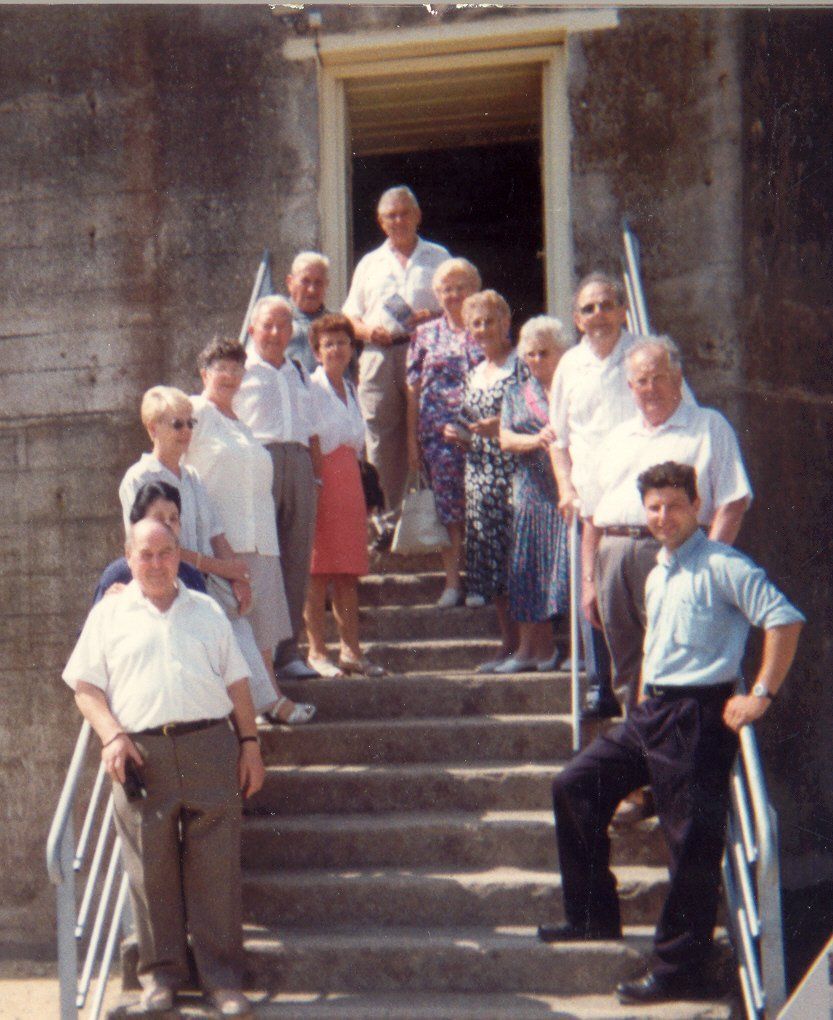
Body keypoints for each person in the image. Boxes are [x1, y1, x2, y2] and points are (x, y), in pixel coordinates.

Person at [537, 461, 804, 1007]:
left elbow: (784, 619)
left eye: (674, 505)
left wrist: (761, 693)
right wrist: (638, 706)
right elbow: (658, 643)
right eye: (653, 507)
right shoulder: (658, 571)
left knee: (691, 843)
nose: (663, 516)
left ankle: (680, 970)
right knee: (575, 785)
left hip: (698, 714)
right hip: (652, 711)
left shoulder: (724, 564)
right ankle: (591, 918)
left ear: (696, 506)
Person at [64, 518, 265, 1017]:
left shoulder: (207, 612)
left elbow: (238, 683)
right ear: (128, 557)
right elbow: (85, 688)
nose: (156, 564)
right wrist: (111, 734)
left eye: (165, 553)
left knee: (216, 869)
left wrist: (251, 744)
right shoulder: (108, 617)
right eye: (145, 554)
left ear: (179, 555)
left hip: (209, 746)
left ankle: (223, 981)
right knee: (149, 872)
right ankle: (161, 978)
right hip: (141, 754)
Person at [583, 336, 752, 712]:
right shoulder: (617, 437)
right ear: (630, 387)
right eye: (641, 381)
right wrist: (588, 581)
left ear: (678, 377)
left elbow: (733, 501)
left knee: (679, 663)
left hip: (674, 553)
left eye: (658, 377)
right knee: (628, 671)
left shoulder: (708, 426)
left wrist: (702, 565)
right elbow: (591, 514)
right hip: (612, 557)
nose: (650, 388)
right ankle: (642, 756)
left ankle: (681, 763)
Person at [118, 385, 294, 721]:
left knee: (238, 628)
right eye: (177, 425)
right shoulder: (139, 478)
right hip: (171, 579)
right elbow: (146, 544)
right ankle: (264, 708)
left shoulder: (194, 477)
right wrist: (214, 566)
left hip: (207, 579)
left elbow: (216, 533)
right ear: (154, 428)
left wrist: (238, 575)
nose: (186, 433)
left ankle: (259, 710)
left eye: (190, 424)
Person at [186, 337, 315, 725]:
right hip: (224, 540)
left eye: (236, 368)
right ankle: (263, 703)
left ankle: (266, 701)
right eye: (220, 368)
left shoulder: (242, 422)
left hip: (261, 538)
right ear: (204, 373)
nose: (229, 375)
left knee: (261, 634)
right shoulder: (196, 411)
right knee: (235, 632)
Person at [548, 272, 641, 717]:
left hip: (639, 499)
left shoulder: (644, 353)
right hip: (591, 498)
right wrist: (565, 486)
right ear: (576, 318)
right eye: (588, 308)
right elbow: (557, 438)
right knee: (591, 591)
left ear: (623, 310)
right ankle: (599, 685)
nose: (598, 315)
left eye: (607, 305)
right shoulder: (569, 365)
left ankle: (641, 688)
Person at [343, 186, 450, 548]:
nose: (398, 221)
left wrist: (433, 316)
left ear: (418, 215)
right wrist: (365, 330)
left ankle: (434, 523)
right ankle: (386, 524)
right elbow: (349, 315)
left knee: (429, 434)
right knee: (379, 437)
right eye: (391, 216)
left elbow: (458, 304)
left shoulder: (438, 257)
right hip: (378, 353)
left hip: (426, 351)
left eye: (405, 213)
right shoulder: (369, 264)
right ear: (381, 221)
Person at [234, 295, 323, 680]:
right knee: (263, 562)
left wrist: (315, 477)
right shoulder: (239, 371)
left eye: (283, 326)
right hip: (259, 463)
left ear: (292, 331)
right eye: (267, 325)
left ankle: (289, 653)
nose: (274, 333)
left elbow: (313, 430)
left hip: (299, 464)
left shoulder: (300, 371)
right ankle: (261, 654)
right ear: (252, 329)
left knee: (297, 560)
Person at [303, 314, 384, 677]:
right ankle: (317, 652)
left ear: (353, 349)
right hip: (324, 482)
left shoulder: (351, 388)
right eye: (328, 344)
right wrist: (317, 485)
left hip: (349, 481)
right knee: (318, 572)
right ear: (318, 352)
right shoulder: (311, 387)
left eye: (342, 342)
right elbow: (313, 439)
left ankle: (351, 651)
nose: (336, 349)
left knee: (348, 573)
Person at [444, 290, 517, 671]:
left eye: (491, 320)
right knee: (491, 562)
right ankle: (508, 644)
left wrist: (500, 427)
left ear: (506, 322)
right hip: (479, 474)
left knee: (515, 562)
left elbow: (537, 418)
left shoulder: (521, 365)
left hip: (513, 474)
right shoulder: (476, 372)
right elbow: (472, 421)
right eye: (476, 323)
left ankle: (528, 647)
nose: (484, 329)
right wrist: (461, 432)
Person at [406, 257, 484, 607]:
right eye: (446, 289)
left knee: (482, 505)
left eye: (460, 287)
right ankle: (452, 583)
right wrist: (411, 440)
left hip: (481, 431)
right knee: (449, 509)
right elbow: (413, 388)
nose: (453, 295)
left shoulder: (485, 328)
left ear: (474, 291)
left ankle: (481, 581)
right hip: (438, 436)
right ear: (437, 295)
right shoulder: (424, 334)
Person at [496, 316, 570, 672]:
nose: (536, 360)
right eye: (530, 354)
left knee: (569, 568)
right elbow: (505, 438)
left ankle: (577, 653)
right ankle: (531, 651)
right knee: (527, 566)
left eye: (544, 353)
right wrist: (536, 440)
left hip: (568, 488)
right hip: (530, 488)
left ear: (561, 353)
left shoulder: (575, 388)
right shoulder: (515, 392)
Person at [93, 480, 206, 602]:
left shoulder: (192, 577)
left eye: (173, 518)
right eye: (158, 518)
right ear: (138, 524)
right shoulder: (117, 576)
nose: (167, 525)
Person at [285, 251, 332, 375]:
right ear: (290, 282)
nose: (312, 290)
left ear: (326, 285)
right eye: (305, 281)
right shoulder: (274, 322)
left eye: (318, 282)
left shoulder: (336, 325)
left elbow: (350, 376)